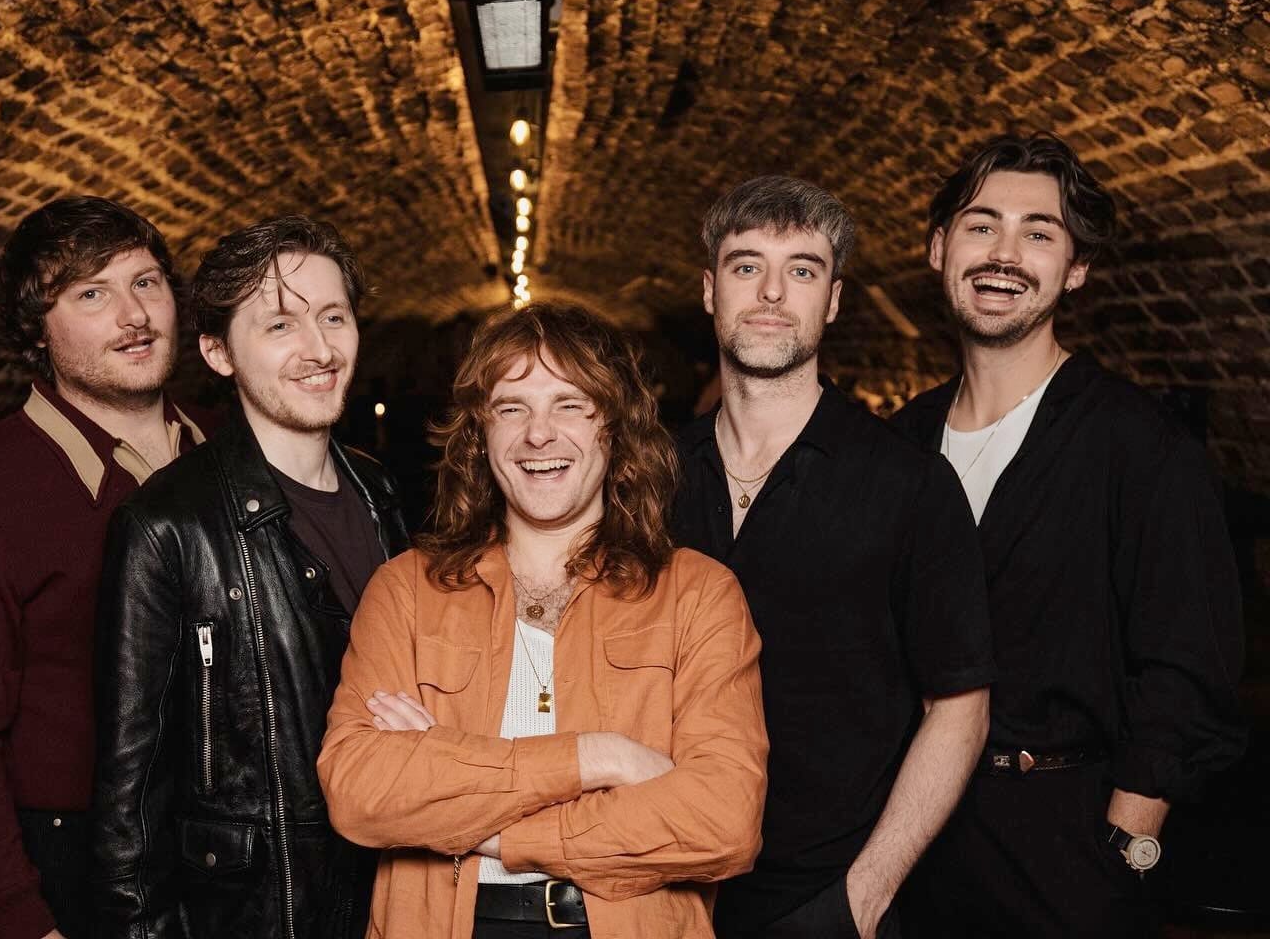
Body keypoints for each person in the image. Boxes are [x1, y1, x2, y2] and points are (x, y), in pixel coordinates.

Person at [317, 301, 768, 938]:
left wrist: (483, 822)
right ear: (480, 433)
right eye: (512, 408)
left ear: (613, 428)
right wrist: (597, 759)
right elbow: (360, 791)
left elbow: (723, 820)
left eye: (569, 405)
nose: (539, 435)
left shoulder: (698, 595)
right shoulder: (406, 592)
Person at [893, 132, 1245, 937]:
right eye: (981, 226)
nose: (1004, 254)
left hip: (1066, 849)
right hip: (912, 845)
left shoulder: (1139, 445)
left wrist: (1127, 839)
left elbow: (1193, 665)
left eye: (1039, 233)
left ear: (1075, 268)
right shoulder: (898, 445)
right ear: (939, 247)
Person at [671, 176, 995, 939]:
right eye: (748, 266)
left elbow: (960, 708)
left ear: (835, 300)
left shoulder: (907, 483)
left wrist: (864, 896)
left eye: (804, 270)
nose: (773, 292)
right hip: (658, 886)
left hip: (824, 900)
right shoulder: (645, 475)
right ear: (710, 291)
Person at [87, 216, 409, 939]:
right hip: (263, 913)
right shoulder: (166, 526)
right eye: (280, 326)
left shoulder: (380, 492)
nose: (321, 350)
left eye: (334, 317)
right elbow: (126, 802)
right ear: (217, 351)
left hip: (393, 898)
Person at [0, 197, 206, 939]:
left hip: (234, 853)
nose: (133, 315)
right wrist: (19, 922)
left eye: (145, 282)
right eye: (91, 294)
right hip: (74, 868)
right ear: (37, 330)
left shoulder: (233, 456)